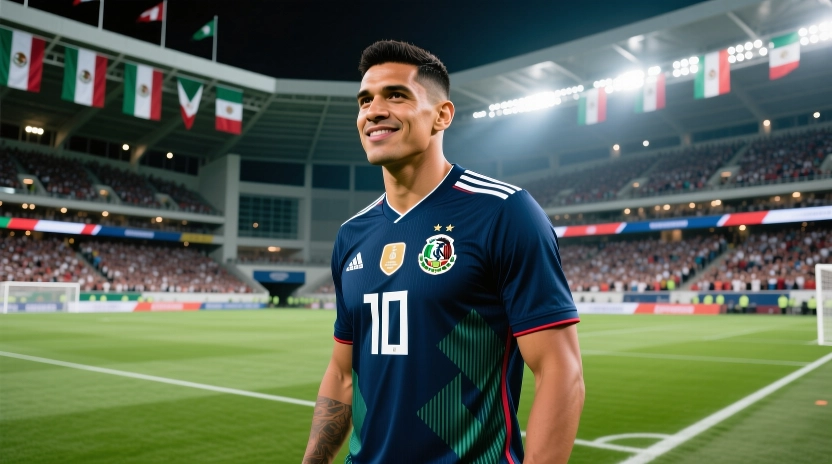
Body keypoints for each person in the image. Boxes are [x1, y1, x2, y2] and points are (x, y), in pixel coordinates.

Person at [303, 41, 584, 464]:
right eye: (365, 100)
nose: (373, 111)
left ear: (442, 115)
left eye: (395, 95)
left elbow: (560, 372)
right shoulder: (351, 235)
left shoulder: (503, 212)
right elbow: (343, 374)